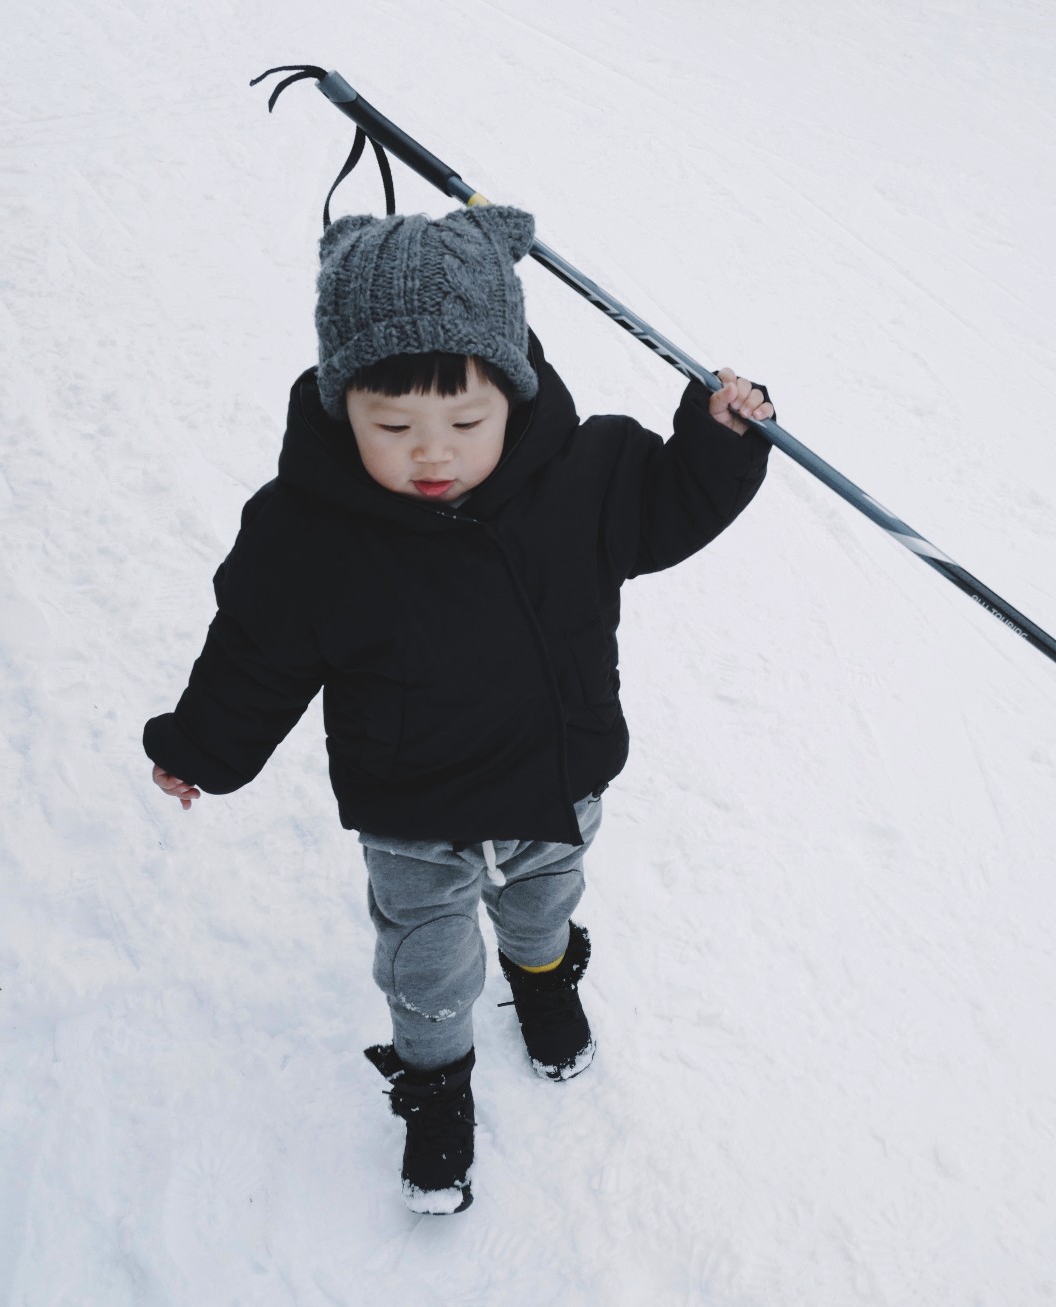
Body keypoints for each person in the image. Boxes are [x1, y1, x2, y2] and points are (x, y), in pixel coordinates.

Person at [142, 203, 772, 1214]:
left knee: (540, 905)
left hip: (549, 781)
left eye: (465, 424)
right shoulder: (310, 529)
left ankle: (543, 976)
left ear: (512, 396)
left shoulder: (582, 477)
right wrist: (201, 748)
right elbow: (254, 652)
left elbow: (670, 504)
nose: (429, 454)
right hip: (413, 813)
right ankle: (435, 1091)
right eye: (391, 428)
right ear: (341, 404)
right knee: (424, 968)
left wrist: (719, 437)